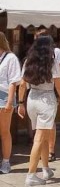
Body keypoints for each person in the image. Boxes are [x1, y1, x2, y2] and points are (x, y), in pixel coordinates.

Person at [18, 36, 60, 186]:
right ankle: (31, 175)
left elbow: (21, 84)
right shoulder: (51, 62)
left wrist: (21, 103)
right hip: (47, 100)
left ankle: (46, 169)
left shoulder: (28, 61)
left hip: (32, 99)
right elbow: (58, 84)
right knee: (39, 139)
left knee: (43, 136)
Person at [35, 26, 60, 163]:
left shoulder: (56, 51)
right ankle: (41, 147)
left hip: (52, 88)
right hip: (37, 90)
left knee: (50, 120)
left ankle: (51, 149)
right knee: (40, 122)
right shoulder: (34, 52)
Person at [0, 33, 22, 174]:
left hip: (4, 97)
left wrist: (9, 102)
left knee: (4, 131)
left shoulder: (11, 58)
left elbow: (14, 81)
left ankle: (6, 162)